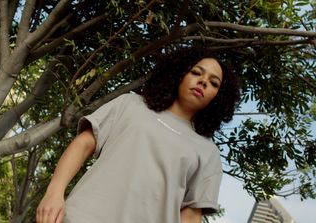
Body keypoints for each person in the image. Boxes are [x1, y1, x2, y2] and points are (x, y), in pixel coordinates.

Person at [36, 46, 241, 223]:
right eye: (197, 73)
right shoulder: (130, 104)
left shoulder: (208, 152)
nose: (203, 82)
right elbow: (83, 145)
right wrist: (54, 193)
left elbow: (190, 215)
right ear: (179, 73)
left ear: (218, 98)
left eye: (214, 83)